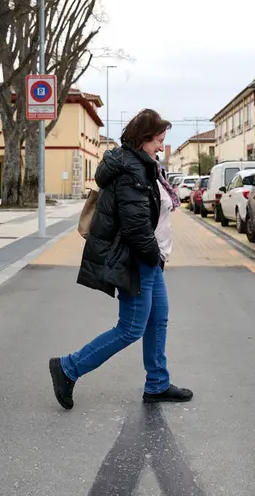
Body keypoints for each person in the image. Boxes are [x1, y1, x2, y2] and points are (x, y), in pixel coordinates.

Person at [49, 109, 192, 410]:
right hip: (139, 261)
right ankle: (68, 368)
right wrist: (153, 255)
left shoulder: (143, 164)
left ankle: (157, 384)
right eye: (158, 141)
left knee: (157, 319)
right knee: (130, 328)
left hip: (151, 260)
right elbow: (136, 226)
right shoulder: (132, 171)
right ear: (143, 140)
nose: (162, 147)